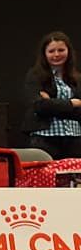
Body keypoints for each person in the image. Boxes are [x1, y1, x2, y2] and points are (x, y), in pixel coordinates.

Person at [21, 30, 81, 159]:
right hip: (45, 139)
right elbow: (39, 106)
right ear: (44, 54)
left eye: (61, 50)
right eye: (51, 51)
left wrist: (52, 103)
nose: (56, 54)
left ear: (69, 51)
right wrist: (72, 103)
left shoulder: (77, 78)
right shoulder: (35, 76)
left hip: (74, 138)